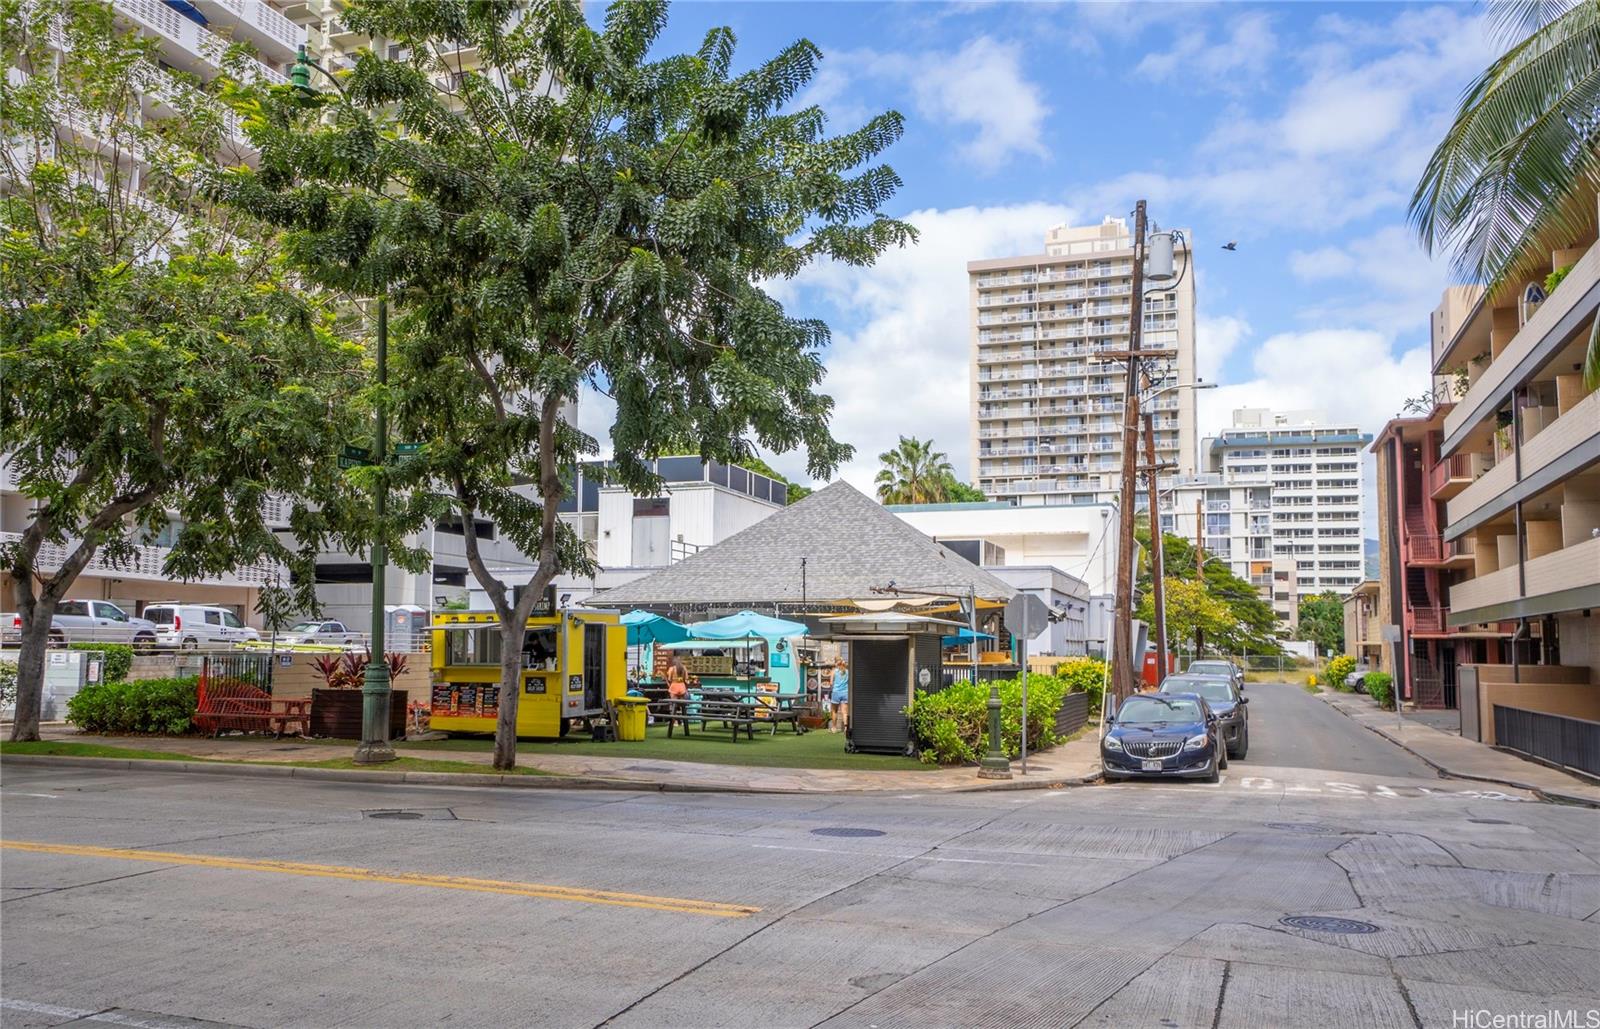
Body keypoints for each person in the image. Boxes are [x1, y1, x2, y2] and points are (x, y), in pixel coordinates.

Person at [829, 660, 850, 733]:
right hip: (845, 693)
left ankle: (834, 728)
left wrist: (833, 688)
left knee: (834, 711)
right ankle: (846, 728)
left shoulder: (834, 671)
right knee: (844, 712)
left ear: (837, 664)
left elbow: (831, 683)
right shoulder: (848, 672)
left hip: (836, 692)